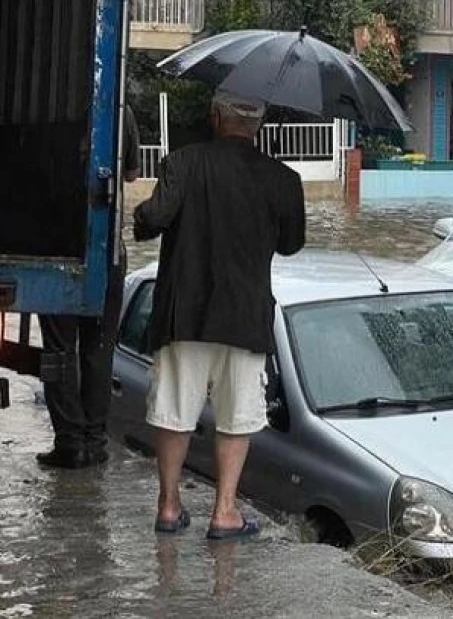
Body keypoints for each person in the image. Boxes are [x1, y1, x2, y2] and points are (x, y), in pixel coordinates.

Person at [133, 90, 305, 540]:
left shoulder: (182, 162)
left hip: (183, 313)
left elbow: (154, 217)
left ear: (214, 117)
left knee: (173, 410)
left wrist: (139, 214)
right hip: (244, 317)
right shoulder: (283, 178)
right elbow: (291, 244)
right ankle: (224, 512)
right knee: (238, 415)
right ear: (259, 127)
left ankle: (169, 507)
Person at [36, 103, 140, 469]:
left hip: (55, 248)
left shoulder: (49, 109)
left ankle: (69, 442)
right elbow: (130, 174)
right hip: (106, 246)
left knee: (59, 351)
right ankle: (94, 440)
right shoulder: (121, 110)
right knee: (98, 348)